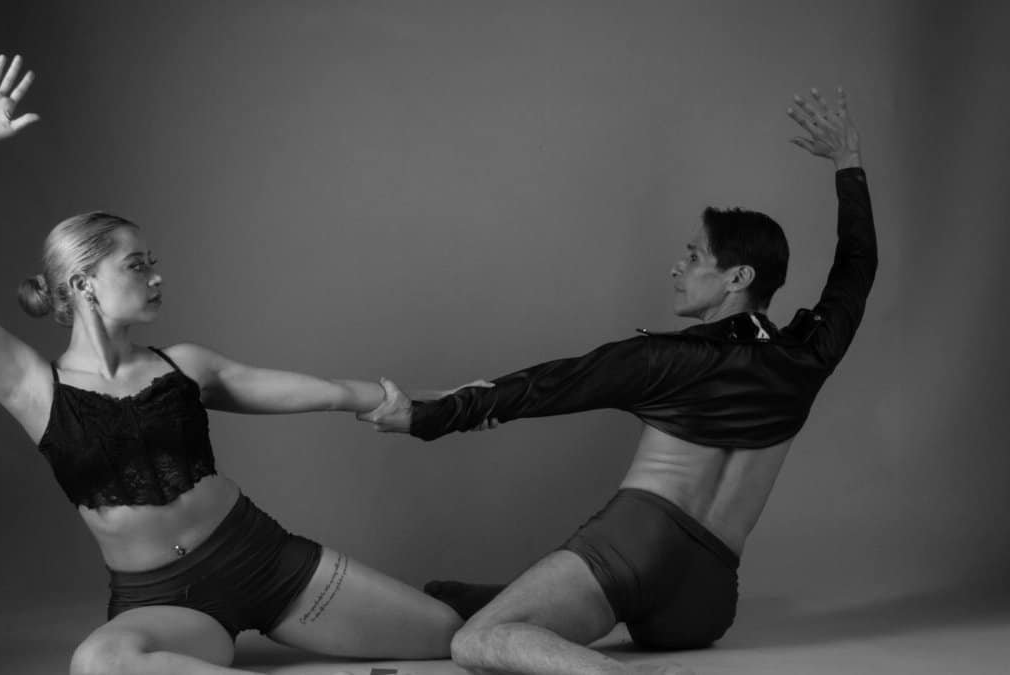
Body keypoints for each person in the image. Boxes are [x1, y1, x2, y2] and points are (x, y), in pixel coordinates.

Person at [0, 55, 462, 675]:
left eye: (152, 261)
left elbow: (332, 392)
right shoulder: (32, 388)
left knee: (448, 636)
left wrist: (441, 401)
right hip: (164, 602)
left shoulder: (185, 366)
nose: (157, 276)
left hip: (263, 559)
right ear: (84, 282)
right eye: (136, 265)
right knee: (101, 664)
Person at [361, 87, 876, 675]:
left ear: (737, 276)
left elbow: (546, 386)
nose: (677, 268)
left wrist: (420, 417)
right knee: (450, 599)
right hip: (707, 599)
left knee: (476, 641)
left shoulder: (666, 360)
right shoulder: (808, 357)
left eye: (693, 256)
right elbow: (857, 268)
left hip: (638, 546)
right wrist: (848, 162)